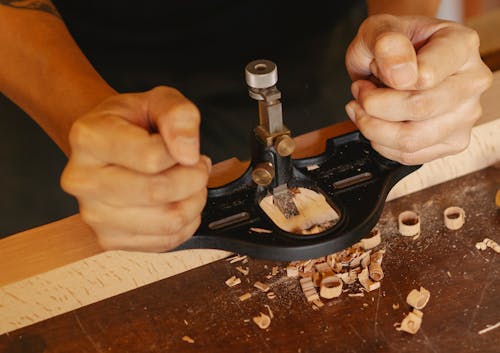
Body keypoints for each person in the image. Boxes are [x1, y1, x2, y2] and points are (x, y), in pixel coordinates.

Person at [0, 0, 492, 251]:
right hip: (64, 70)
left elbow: (402, 42)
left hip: (322, 57)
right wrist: (78, 113)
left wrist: (403, 46)